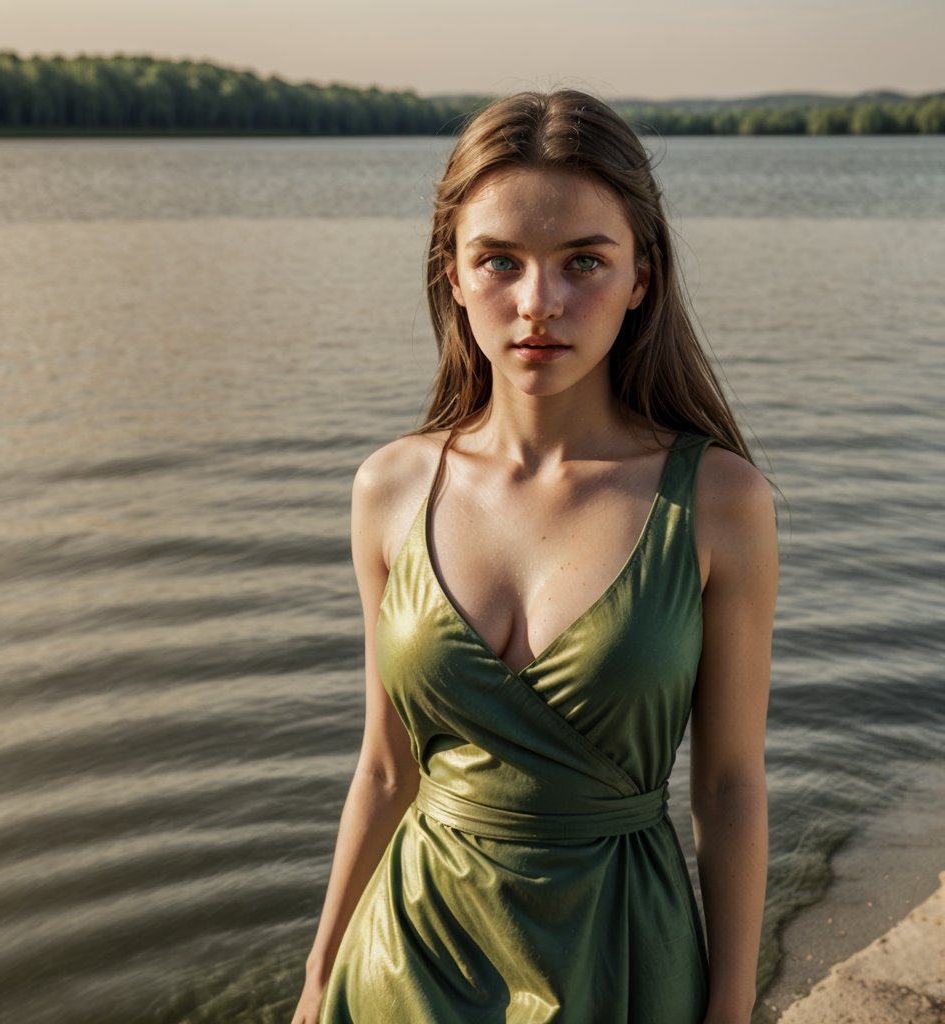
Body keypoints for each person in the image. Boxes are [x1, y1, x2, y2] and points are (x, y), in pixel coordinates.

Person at [290, 89, 777, 1024]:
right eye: (499, 261)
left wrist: (732, 1005)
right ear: (454, 274)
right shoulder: (389, 489)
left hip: (622, 954)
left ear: (642, 276)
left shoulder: (718, 504)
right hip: (406, 958)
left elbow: (730, 784)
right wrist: (319, 980)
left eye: (583, 261)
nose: (537, 304)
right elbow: (387, 769)